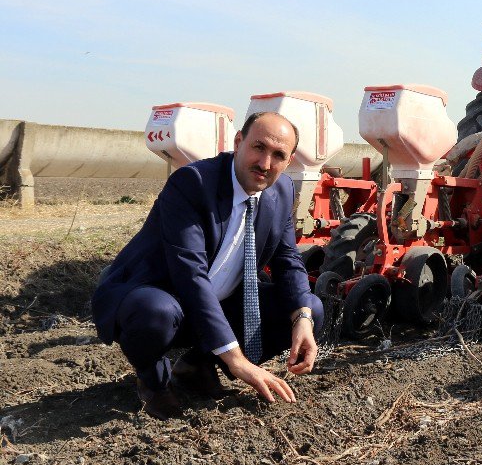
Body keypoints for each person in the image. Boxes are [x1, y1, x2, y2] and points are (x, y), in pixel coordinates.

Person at [92, 111, 325, 420]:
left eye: (278, 155)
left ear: (289, 160)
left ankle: (197, 364)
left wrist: (303, 319)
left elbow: (288, 259)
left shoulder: (281, 191)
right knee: (156, 312)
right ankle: (153, 381)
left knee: (310, 307)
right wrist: (237, 361)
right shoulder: (193, 183)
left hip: (216, 303)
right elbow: (189, 275)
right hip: (159, 296)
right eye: (258, 147)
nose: (265, 163)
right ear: (239, 141)